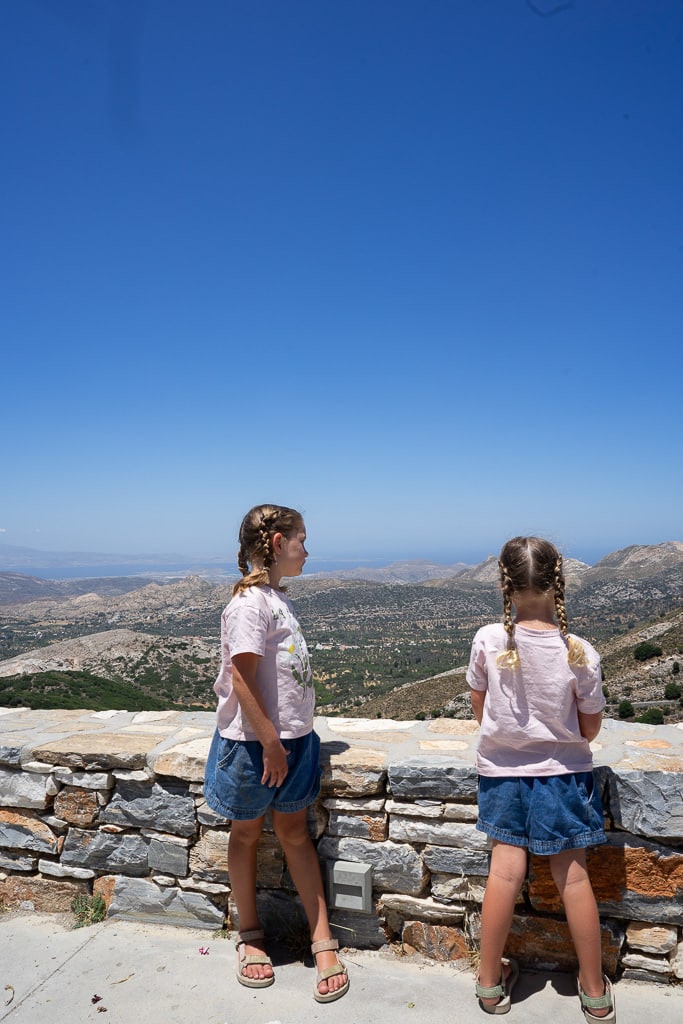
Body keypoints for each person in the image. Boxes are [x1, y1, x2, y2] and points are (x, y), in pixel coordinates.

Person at [203, 504, 349, 1003]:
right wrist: (270, 743)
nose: (308, 551)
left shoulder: (273, 598)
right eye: (302, 541)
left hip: (291, 741)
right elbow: (242, 679)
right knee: (245, 835)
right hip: (255, 746)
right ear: (277, 542)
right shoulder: (249, 606)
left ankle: (322, 939)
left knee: (294, 834)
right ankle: (250, 936)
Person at [466, 537, 614, 1022]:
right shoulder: (580, 652)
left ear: (504, 585)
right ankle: (593, 991)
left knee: (504, 874)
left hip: (503, 777)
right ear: (558, 583)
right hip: (564, 779)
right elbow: (589, 729)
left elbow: (480, 710)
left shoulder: (489, 639)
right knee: (573, 878)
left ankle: (489, 984)